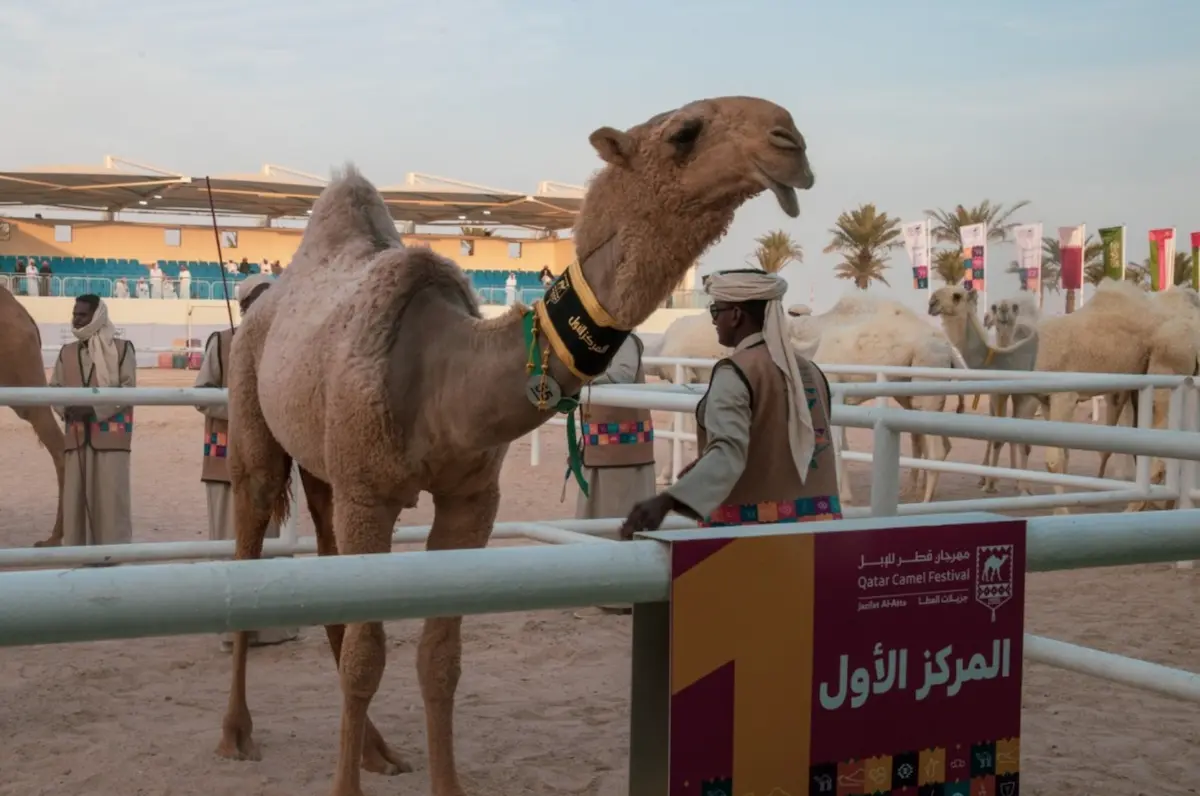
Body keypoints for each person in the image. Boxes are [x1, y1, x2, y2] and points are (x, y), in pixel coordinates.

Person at [620, 269, 841, 538]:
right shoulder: (811, 372)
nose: (714, 320)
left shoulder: (735, 372)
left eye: (716, 311)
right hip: (820, 534)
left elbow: (728, 451)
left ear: (736, 315)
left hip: (752, 539)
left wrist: (666, 501)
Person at [194, 273, 298, 651]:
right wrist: (245, 409)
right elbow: (202, 394)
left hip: (275, 463)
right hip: (227, 456)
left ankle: (273, 627)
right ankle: (233, 627)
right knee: (230, 541)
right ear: (244, 306)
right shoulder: (222, 342)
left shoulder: (289, 347)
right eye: (260, 300)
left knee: (273, 545)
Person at [575, 332, 658, 616]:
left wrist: (581, 379)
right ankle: (597, 590)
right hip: (599, 446)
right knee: (597, 518)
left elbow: (621, 374)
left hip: (624, 452)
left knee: (620, 518)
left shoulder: (624, 341)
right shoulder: (601, 340)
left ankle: (621, 598)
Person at [49, 294, 137, 547]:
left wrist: (94, 409)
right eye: (74, 314)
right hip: (76, 438)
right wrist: (67, 409)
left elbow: (128, 390)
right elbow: (54, 389)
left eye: (82, 315)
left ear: (97, 316)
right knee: (75, 500)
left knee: (111, 501)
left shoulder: (122, 349)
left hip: (112, 439)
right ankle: (78, 555)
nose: (76, 320)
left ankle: (112, 557)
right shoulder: (66, 352)